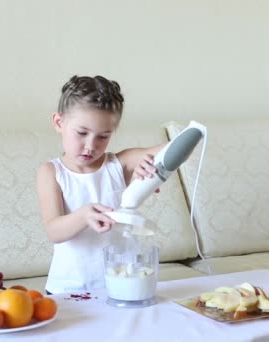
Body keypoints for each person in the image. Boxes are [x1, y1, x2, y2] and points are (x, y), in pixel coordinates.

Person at [36, 75, 162, 294]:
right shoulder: (51, 172)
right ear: (59, 122)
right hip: (67, 289)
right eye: (82, 133)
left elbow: (173, 150)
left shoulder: (118, 164)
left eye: (103, 136)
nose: (90, 146)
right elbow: (53, 231)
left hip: (121, 283)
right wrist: (84, 216)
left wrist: (154, 167)